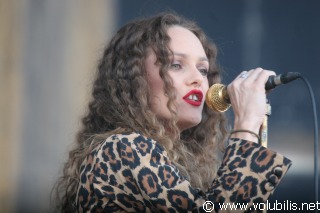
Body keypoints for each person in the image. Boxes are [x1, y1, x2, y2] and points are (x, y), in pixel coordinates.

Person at [53, 12, 291, 212]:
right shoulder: (122, 149)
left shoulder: (173, 166)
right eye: (176, 65)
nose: (197, 79)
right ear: (133, 80)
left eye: (203, 69)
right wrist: (246, 124)